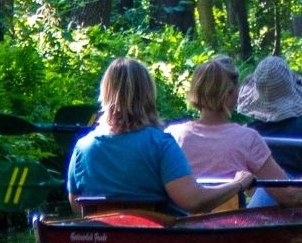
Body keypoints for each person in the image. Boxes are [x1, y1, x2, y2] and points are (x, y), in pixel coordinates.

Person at [65, 57, 253, 215]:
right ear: (148, 95)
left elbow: (76, 205)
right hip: (157, 241)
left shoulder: (83, 147)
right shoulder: (160, 143)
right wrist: (237, 184)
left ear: (105, 95)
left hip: (102, 239)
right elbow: (193, 201)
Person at [167, 55, 302, 207]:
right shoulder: (247, 138)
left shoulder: (172, 135)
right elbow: (289, 196)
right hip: (232, 228)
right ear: (231, 94)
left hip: (186, 222)